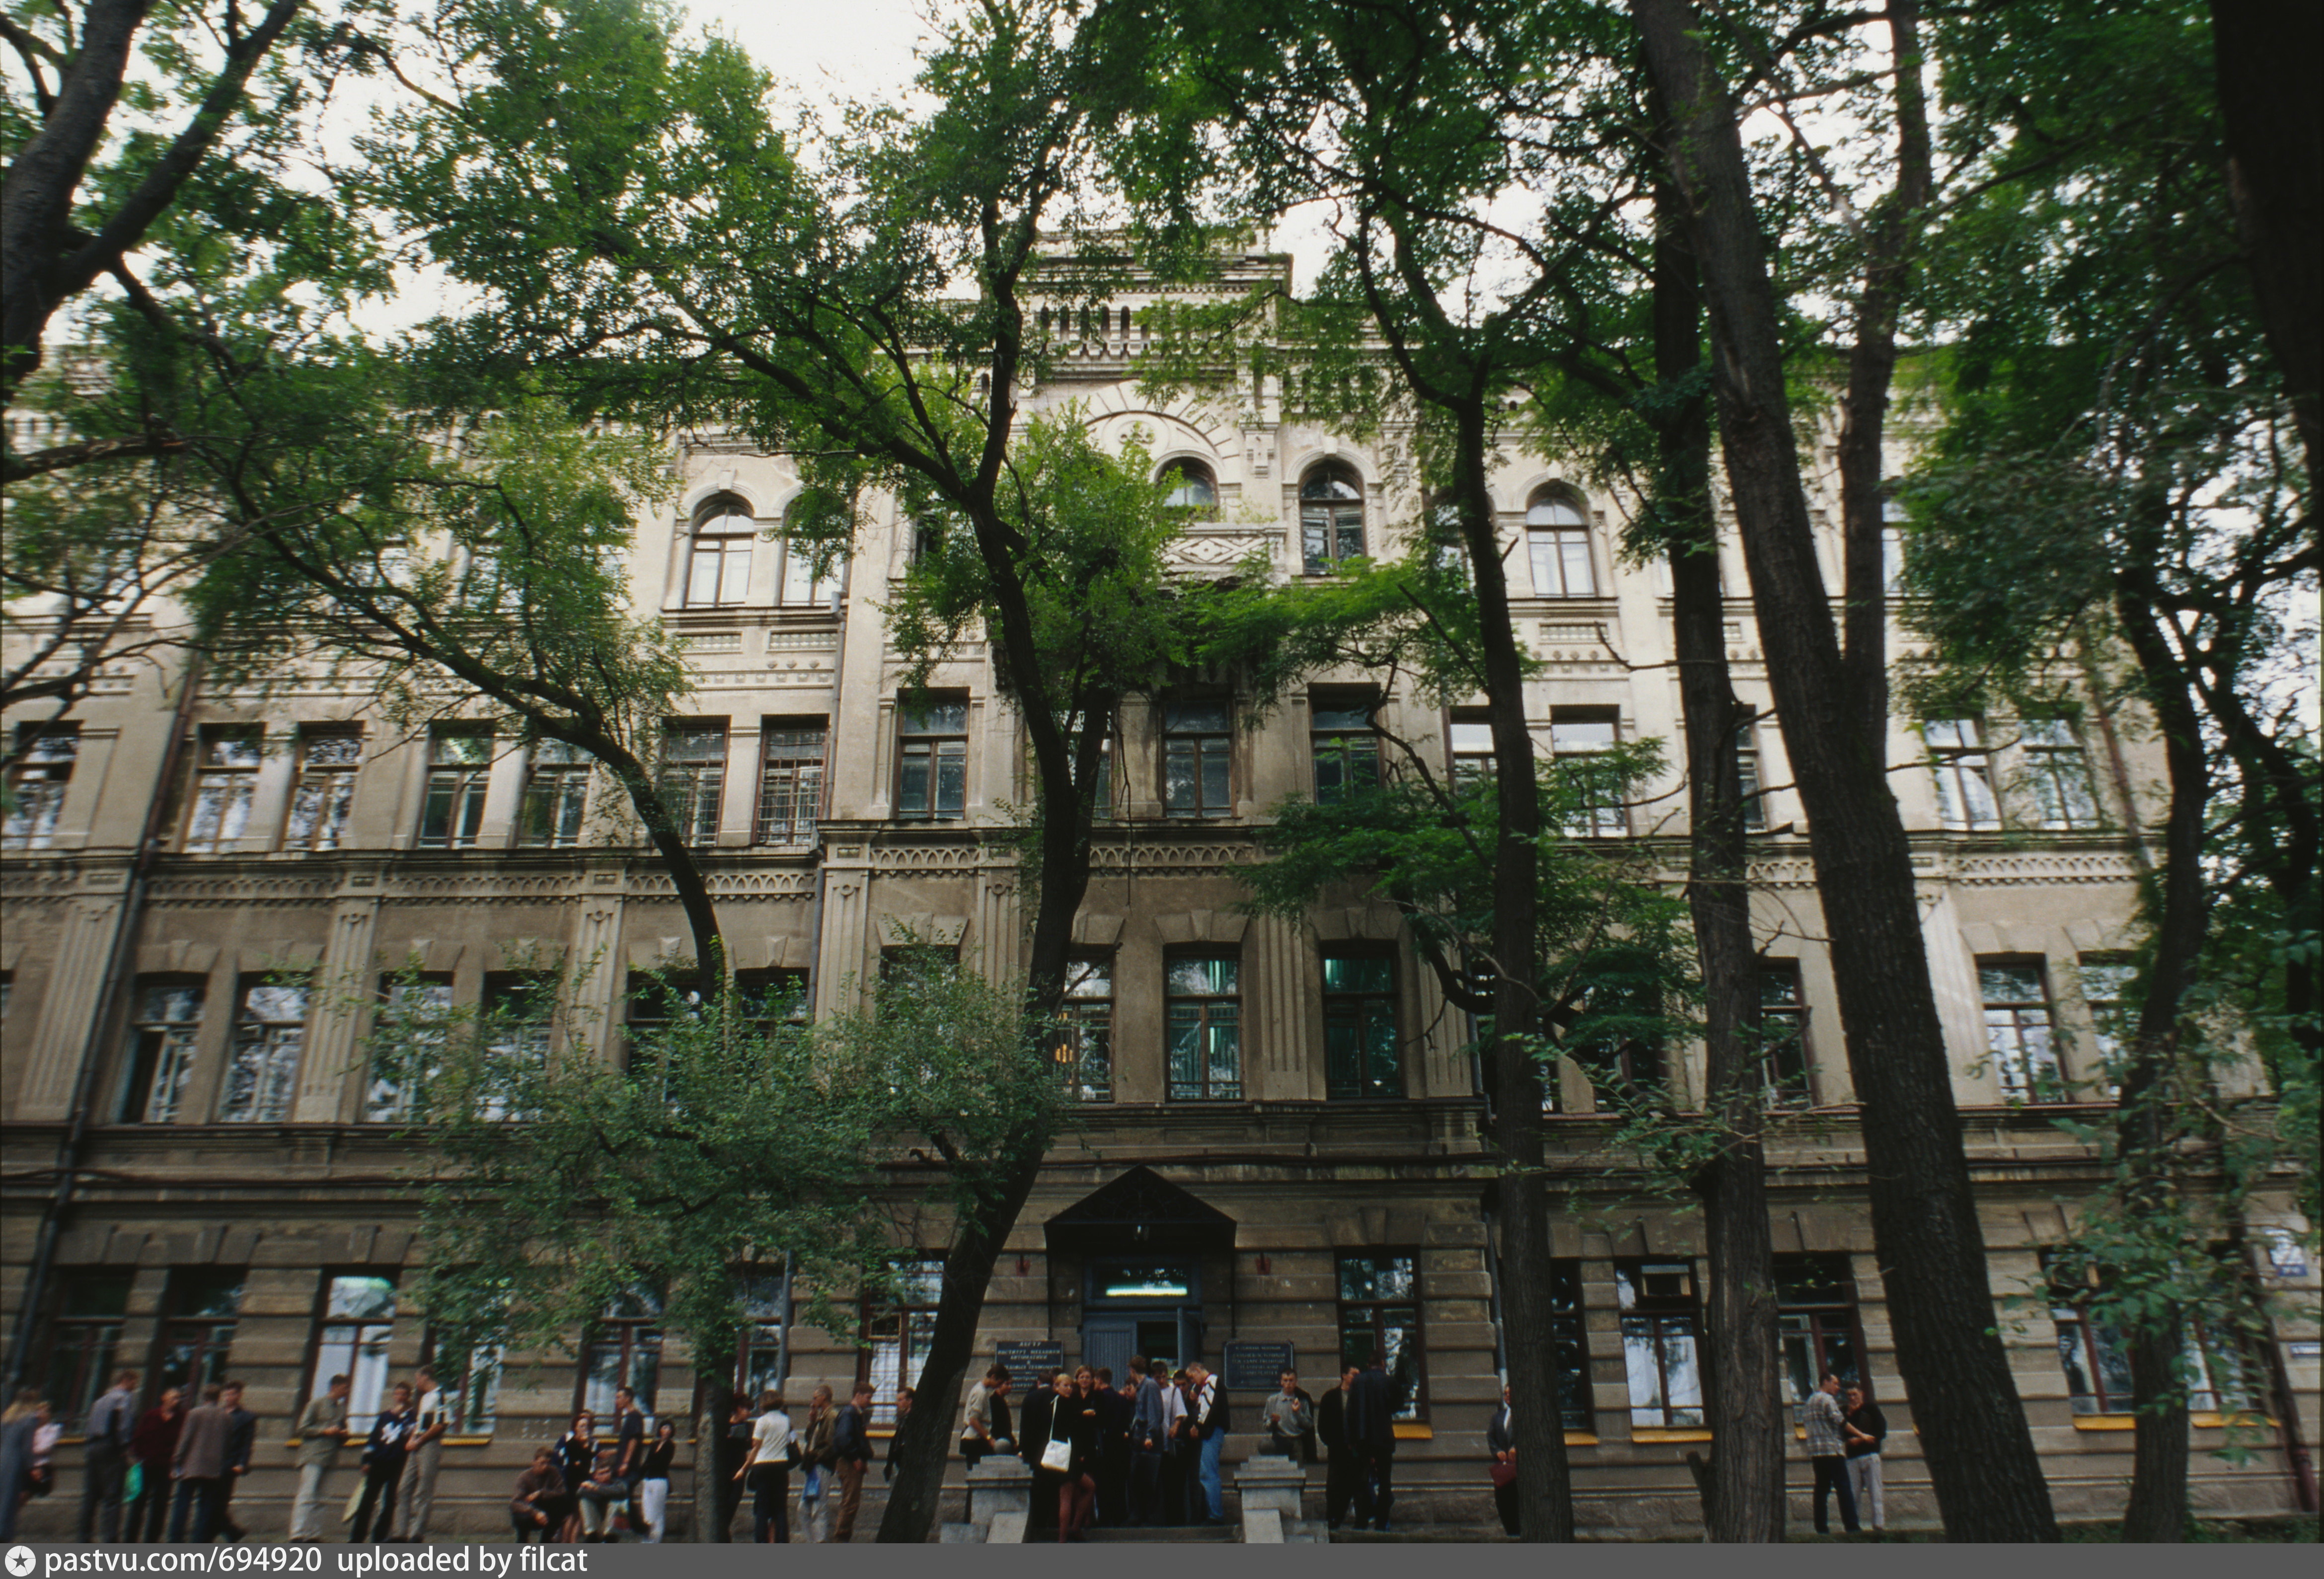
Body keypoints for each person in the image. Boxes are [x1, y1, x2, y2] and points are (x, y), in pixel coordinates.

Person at [1033, 1369, 1097, 1543]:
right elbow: (1071, 1426)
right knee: (1069, 1496)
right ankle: (1065, 1536)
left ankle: (1074, 1529)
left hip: (1061, 1456)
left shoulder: (1053, 1403)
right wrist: (1083, 1414)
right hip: (1067, 1457)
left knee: (1085, 1489)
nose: (1069, 1389)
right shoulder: (1064, 1404)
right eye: (1065, 1386)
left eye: (1070, 1386)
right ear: (1056, 1387)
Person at [349, 1382, 417, 1543]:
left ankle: (379, 1537)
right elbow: (373, 1439)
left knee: (389, 1502)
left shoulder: (412, 1417)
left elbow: (409, 1434)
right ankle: (357, 1537)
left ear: (408, 1397)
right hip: (379, 1462)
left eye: (404, 1395)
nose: (400, 1398)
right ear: (394, 1396)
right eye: (397, 1394)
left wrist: (403, 1417)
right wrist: (367, 1460)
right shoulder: (385, 1416)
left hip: (397, 1463)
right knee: (367, 1500)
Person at [166, 1382, 235, 1543]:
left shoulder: (194, 1413)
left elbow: (185, 1439)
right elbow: (228, 1444)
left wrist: (177, 1460)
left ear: (204, 1397)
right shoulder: (227, 1417)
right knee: (205, 1508)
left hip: (192, 1467)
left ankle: (175, 1539)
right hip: (213, 1468)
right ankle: (199, 1541)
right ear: (219, 1397)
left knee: (182, 1506)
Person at [80, 1368, 140, 1542]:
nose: (135, 1386)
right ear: (127, 1380)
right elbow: (124, 1426)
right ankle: (110, 1540)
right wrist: (126, 1449)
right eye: (134, 1382)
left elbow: (90, 1426)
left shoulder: (100, 1401)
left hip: (93, 1447)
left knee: (91, 1496)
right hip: (111, 1448)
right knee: (112, 1497)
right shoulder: (124, 1399)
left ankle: (84, 1537)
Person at [290, 1375, 352, 1541]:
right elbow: (302, 1428)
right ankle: (298, 1534)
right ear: (335, 1387)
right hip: (313, 1456)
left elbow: (343, 1431)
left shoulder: (341, 1408)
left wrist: (344, 1434)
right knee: (307, 1496)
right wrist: (324, 1431)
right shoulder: (316, 1404)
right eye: (345, 1388)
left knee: (322, 1498)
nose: (347, 1391)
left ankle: (313, 1535)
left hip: (330, 1457)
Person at [394, 1366, 449, 1542]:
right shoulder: (425, 1398)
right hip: (417, 1443)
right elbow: (420, 1423)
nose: (417, 1383)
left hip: (429, 1444)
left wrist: (420, 1441)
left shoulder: (441, 1396)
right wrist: (412, 1439)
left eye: (418, 1379)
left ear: (426, 1378)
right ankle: (400, 1533)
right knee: (403, 1488)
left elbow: (440, 1424)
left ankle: (416, 1533)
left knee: (424, 1489)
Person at [1804, 1371, 1861, 1537]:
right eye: (1835, 1384)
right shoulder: (1827, 1400)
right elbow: (1840, 1421)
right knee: (1844, 1488)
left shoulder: (1809, 1402)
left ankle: (1821, 1527)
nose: (1838, 1388)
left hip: (1816, 1452)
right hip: (1832, 1451)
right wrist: (1861, 1435)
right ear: (1826, 1382)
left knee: (1821, 1489)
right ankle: (1852, 1526)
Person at [1347, 1351, 1397, 1532]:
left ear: (1368, 1365)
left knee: (1361, 1481)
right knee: (1384, 1482)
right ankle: (1382, 1522)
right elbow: (1397, 1405)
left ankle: (1361, 1521)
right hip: (1384, 1438)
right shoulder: (1389, 1381)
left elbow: (1350, 1412)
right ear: (1382, 1364)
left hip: (1362, 1439)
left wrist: (1351, 1439)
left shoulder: (1358, 1381)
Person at [129, 1387, 185, 1542]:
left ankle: (151, 1541)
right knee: (138, 1505)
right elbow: (139, 1437)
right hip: (147, 1466)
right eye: (174, 1398)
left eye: (179, 1398)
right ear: (164, 1398)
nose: (176, 1401)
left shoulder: (182, 1418)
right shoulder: (151, 1416)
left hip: (166, 1468)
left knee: (159, 1508)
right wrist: (138, 1457)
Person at [738, 1389, 793, 1543]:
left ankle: (761, 1540)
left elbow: (756, 1446)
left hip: (762, 1465)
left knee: (762, 1507)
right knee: (781, 1508)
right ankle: (782, 1540)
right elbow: (790, 1440)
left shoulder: (762, 1421)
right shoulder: (786, 1420)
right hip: (781, 1464)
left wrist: (744, 1468)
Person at [830, 1383, 875, 1542]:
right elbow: (843, 1438)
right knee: (850, 1502)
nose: (870, 1402)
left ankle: (842, 1536)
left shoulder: (853, 1414)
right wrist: (855, 1458)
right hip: (849, 1462)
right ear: (858, 1395)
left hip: (852, 1461)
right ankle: (841, 1538)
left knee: (851, 1501)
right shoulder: (849, 1413)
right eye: (868, 1398)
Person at [1186, 1359, 1228, 1525]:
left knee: (1208, 1473)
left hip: (1212, 1431)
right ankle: (1213, 1513)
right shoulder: (1207, 1385)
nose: (1192, 1382)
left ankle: (1215, 1515)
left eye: (1192, 1377)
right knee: (1208, 1472)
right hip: (1212, 1431)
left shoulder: (1211, 1381)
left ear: (1198, 1370)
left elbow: (1208, 1409)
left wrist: (1198, 1426)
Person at [1843, 1384, 1888, 1538]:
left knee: (1875, 1491)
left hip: (1870, 1455)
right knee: (1853, 1493)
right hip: (1852, 1458)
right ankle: (1853, 1526)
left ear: (1861, 1394)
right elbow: (1842, 1432)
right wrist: (1849, 1415)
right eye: (1849, 1395)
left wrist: (1862, 1440)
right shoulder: (1844, 1411)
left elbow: (1881, 1431)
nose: (1852, 1398)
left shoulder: (1871, 1409)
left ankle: (1879, 1525)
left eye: (1855, 1394)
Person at [0, 1389, 45, 1542]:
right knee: (8, 1501)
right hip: (14, 1462)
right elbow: (27, 1448)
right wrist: (33, 1468)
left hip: (2, 1458)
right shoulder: (30, 1420)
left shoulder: (6, 1418)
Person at [1126, 1356, 1166, 1527]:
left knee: (1149, 1479)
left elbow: (1154, 1413)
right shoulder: (1141, 1387)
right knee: (1138, 1478)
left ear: (1132, 1370)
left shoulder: (1150, 1386)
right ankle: (1140, 1515)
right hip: (1139, 1435)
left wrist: (1150, 1436)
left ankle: (1151, 1517)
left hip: (1147, 1437)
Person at [1091, 1366, 1133, 1527]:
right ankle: (1120, 1516)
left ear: (1099, 1380)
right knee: (1119, 1484)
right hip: (1121, 1447)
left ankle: (1105, 1517)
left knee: (1103, 1484)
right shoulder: (1122, 1399)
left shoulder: (1099, 1398)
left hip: (1104, 1446)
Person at [1318, 1366, 1358, 1531]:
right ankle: (1331, 1517)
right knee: (1334, 1485)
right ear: (1344, 1376)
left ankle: (1340, 1516)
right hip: (1336, 1449)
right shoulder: (1330, 1397)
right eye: (1354, 1374)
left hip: (1354, 1449)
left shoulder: (1359, 1397)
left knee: (1351, 1485)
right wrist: (1330, 1442)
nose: (1357, 1378)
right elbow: (1322, 1424)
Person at [795, 1384, 836, 1542]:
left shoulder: (831, 1416)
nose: (813, 1401)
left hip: (821, 1465)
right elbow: (810, 1438)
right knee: (804, 1509)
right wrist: (812, 1421)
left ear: (823, 1397)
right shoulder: (822, 1416)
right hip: (814, 1466)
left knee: (819, 1507)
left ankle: (819, 1541)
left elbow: (830, 1444)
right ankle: (812, 1541)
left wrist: (817, 1456)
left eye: (815, 1398)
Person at [552, 1411, 599, 1538]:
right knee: (570, 1513)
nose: (585, 1428)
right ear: (575, 1428)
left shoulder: (592, 1443)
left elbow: (592, 1462)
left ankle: (572, 1541)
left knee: (579, 1513)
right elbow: (568, 1461)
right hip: (571, 1481)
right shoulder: (570, 1442)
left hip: (585, 1481)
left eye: (587, 1425)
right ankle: (564, 1540)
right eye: (582, 1426)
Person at [510, 1448, 568, 1543]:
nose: (545, 1467)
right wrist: (535, 1513)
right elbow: (515, 1503)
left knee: (562, 1504)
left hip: (547, 1511)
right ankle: (523, 1541)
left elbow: (562, 1492)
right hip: (528, 1512)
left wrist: (541, 1493)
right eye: (542, 1463)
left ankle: (547, 1541)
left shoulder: (553, 1472)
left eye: (548, 1463)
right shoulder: (525, 1477)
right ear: (534, 1462)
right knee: (520, 1519)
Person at [959, 1365, 1012, 1470]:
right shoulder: (981, 1393)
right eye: (999, 1383)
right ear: (993, 1377)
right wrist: (989, 1438)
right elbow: (974, 1420)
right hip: (975, 1440)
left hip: (974, 1440)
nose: (999, 1386)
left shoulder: (979, 1389)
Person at [636, 1419, 677, 1542]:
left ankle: (655, 1541)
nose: (667, 1431)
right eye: (664, 1428)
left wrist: (649, 1465)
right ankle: (646, 1541)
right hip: (649, 1480)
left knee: (657, 1514)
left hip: (660, 1481)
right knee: (647, 1513)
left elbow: (662, 1463)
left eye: (669, 1428)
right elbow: (647, 1461)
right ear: (660, 1429)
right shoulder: (654, 1444)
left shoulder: (670, 1446)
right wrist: (639, 1475)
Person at [1486, 1384, 1519, 1536]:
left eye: (1511, 1393)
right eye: (1505, 1394)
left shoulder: (1526, 1416)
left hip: (1520, 1470)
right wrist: (1497, 1451)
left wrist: (1517, 1447)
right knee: (1504, 1503)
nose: (1508, 1396)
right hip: (1504, 1471)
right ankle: (1511, 1532)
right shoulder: (1498, 1417)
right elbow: (1491, 1437)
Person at [1262, 1370, 1316, 1462]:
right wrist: (1273, 1422)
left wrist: (1298, 1413)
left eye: (1291, 1380)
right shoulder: (1272, 1401)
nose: (1288, 1384)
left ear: (1296, 1382)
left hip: (1297, 1441)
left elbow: (1309, 1425)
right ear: (1281, 1382)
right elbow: (1266, 1426)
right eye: (1286, 1380)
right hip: (1280, 1440)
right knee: (1281, 1469)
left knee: (1298, 1469)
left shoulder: (1303, 1400)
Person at [574, 1458, 627, 1541]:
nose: (606, 1475)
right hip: (596, 1522)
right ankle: (592, 1534)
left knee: (616, 1502)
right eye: (602, 1473)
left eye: (607, 1472)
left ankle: (609, 1537)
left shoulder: (618, 1484)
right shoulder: (590, 1484)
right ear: (595, 1476)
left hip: (611, 1526)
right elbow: (580, 1493)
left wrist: (596, 1489)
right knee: (585, 1500)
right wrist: (602, 1491)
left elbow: (621, 1492)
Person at [884, 1388, 913, 1486]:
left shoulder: (911, 1420)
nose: (897, 1403)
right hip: (899, 1463)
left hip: (905, 1464)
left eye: (900, 1400)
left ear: (910, 1401)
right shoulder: (904, 1419)